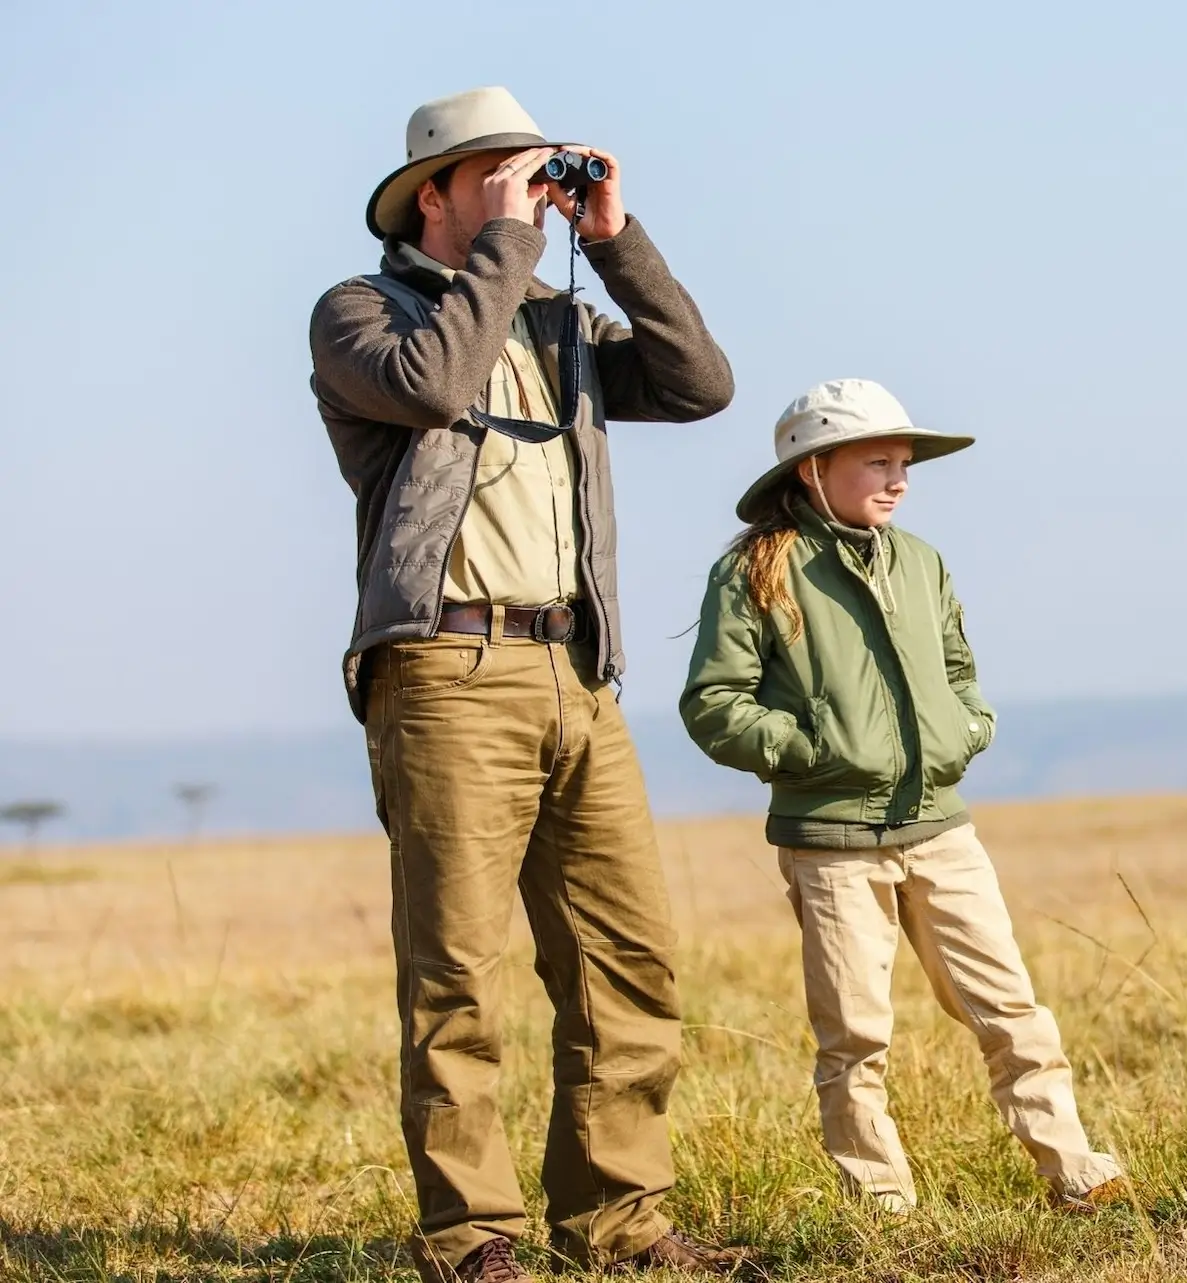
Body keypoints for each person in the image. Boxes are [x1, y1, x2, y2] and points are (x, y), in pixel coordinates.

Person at [309, 87, 741, 1281]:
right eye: (494, 171)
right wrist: (507, 245)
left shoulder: (557, 321)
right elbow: (435, 386)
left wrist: (612, 237)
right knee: (457, 968)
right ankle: (470, 1235)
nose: (521, 186)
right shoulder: (360, 315)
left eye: (531, 168)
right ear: (432, 194)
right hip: (447, 667)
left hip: (574, 668)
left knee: (626, 955)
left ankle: (619, 1216)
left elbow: (702, 382)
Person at [680, 378, 1127, 1213]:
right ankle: (879, 1200)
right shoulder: (754, 570)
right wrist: (811, 749)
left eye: (905, 462)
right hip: (830, 843)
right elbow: (713, 702)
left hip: (941, 831)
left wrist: (970, 728)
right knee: (854, 1032)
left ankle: (1075, 1170)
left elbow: (959, 671)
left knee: (1010, 1006)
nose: (900, 479)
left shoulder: (920, 562)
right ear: (814, 470)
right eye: (878, 460)